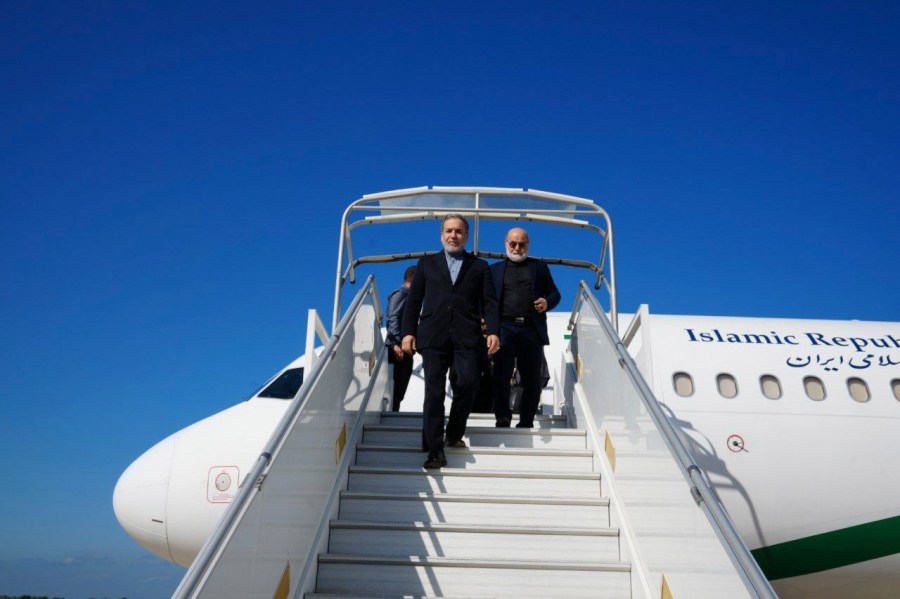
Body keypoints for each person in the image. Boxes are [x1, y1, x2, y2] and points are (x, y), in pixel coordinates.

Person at [401, 214, 500, 468]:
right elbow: (413, 301)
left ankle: (454, 433)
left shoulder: (479, 267)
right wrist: (407, 333)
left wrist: (494, 332)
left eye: (458, 231)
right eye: (448, 230)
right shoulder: (426, 264)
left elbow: (490, 302)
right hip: (433, 335)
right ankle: (434, 450)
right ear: (441, 234)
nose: (453, 235)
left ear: (466, 237)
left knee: (468, 383)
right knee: (433, 392)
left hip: (467, 337)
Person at [490, 227, 560, 428]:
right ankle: (502, 416)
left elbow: (555, 294)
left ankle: (527, 419)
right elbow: (486, 301)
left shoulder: (539, 267)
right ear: (506, 244)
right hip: (505, 328)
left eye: (522, 244)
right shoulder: (494, 270)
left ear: (528, 245)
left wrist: (547, 302)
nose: (517, 248)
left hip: (531, 329)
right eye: (513, 244)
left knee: (531, 378)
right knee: (501, 375)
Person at [385, 266, 416, 412]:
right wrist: (396, 343)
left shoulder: (411, 296)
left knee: (401, 387)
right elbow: (393, 318)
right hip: (398, 349)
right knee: (396, 388)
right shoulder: (401, 294)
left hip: (406, 349)